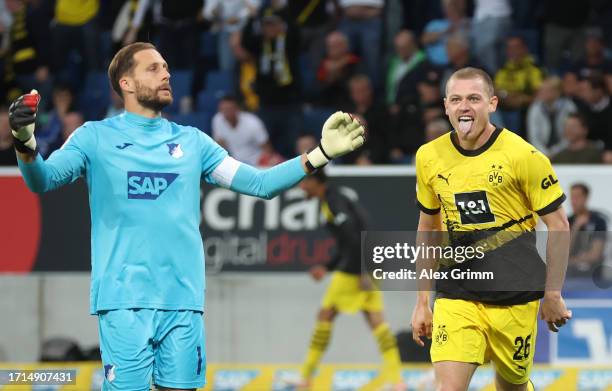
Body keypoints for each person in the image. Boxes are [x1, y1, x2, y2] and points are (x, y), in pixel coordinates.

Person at [8, 42, 364, 391]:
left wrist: (319, 154)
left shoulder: (194, 143)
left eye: (165, 67)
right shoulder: (94, 137)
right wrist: (26, 144)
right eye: (153, 68)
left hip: (183, 301)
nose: (165, 74)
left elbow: (260, 183)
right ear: (126, 84)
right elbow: (43, 180)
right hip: (123, 299)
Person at [411, 67, 572, 391]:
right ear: (445, 106)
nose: (464, 107)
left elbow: (558, 225)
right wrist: (422, 300)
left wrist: (552, 293)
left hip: (515, 294)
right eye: (456, 99)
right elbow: (429, 227)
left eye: (474, 98)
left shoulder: (523, 156)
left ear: (492, 104)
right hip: (458, 291)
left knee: (511, 385)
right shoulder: (429, 156)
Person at [296, 169, 403, 390]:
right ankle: (397, 381)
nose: (301, 188)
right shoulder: (335, 197)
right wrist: (327, 267)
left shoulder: (334, 201)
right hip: (369, 261)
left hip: (358, 268)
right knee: (376, 320)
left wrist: (363, 271)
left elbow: (354, 236)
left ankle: (305, 377)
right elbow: (350, 239)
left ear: (315, 181)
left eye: (304, 182)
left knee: (325, 315)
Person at [211, 94, 270, 165]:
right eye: (223, 109)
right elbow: (220, 145)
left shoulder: (252, 122)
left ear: (237, 108)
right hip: (234, 163)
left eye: (229, 109)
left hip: (257, 161)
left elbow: (267, 148)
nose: (226, 113)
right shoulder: (217, 119)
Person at [567, 183, 608, 279]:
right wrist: (576, 227)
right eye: (572, 197)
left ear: (586, 198)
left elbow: (595, 255)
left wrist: (570, 261)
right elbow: (563, 252)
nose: (574, 201)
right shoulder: (567, 221)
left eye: (578, 197)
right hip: (570, 276)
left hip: (593, 276)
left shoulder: (598, 221)